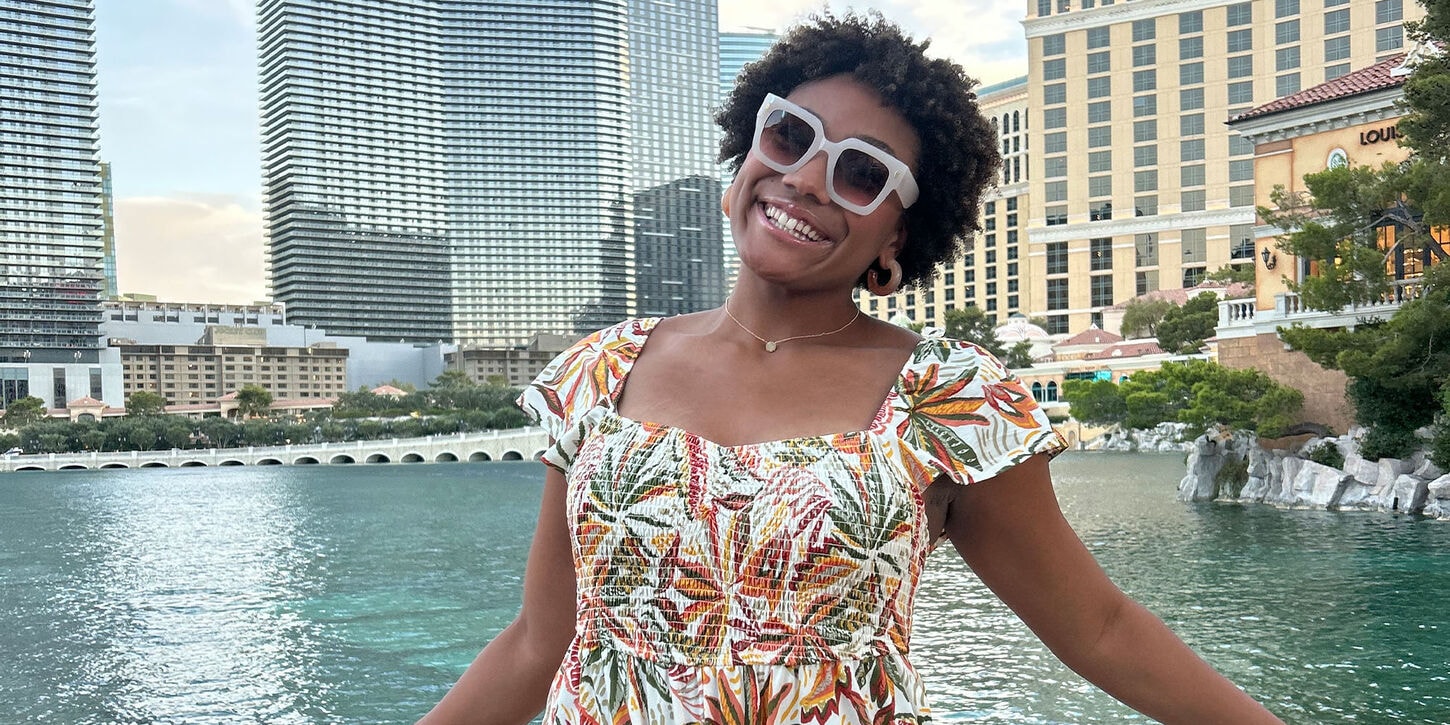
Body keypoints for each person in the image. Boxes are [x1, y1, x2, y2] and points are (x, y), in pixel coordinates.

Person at [419, 13, 1284, 724]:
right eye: (790, 135)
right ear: (742, 157)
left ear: (898, 236)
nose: (805, 180)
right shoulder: (601, 370)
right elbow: (541, 639)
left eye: (861, 173)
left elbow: (1099, 629)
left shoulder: (947, 398)